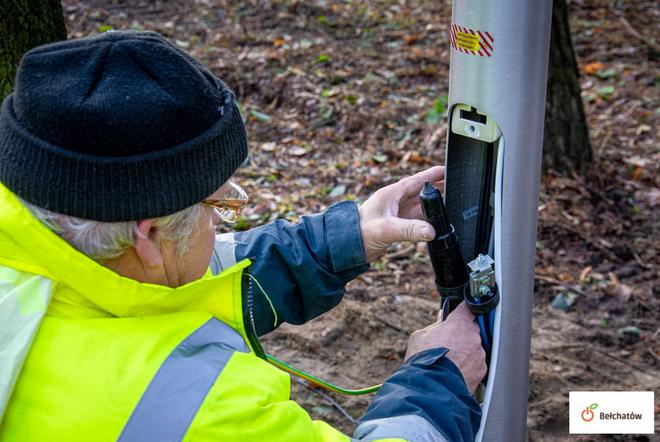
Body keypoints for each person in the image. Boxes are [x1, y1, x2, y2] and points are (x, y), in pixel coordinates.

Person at [0, 31, 486, 441]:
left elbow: (182, 276)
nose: (221, 223)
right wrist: (435, 382)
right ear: (148, 237)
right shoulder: (204, 410)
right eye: (217, 207)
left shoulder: (37, 252)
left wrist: (341, 237)